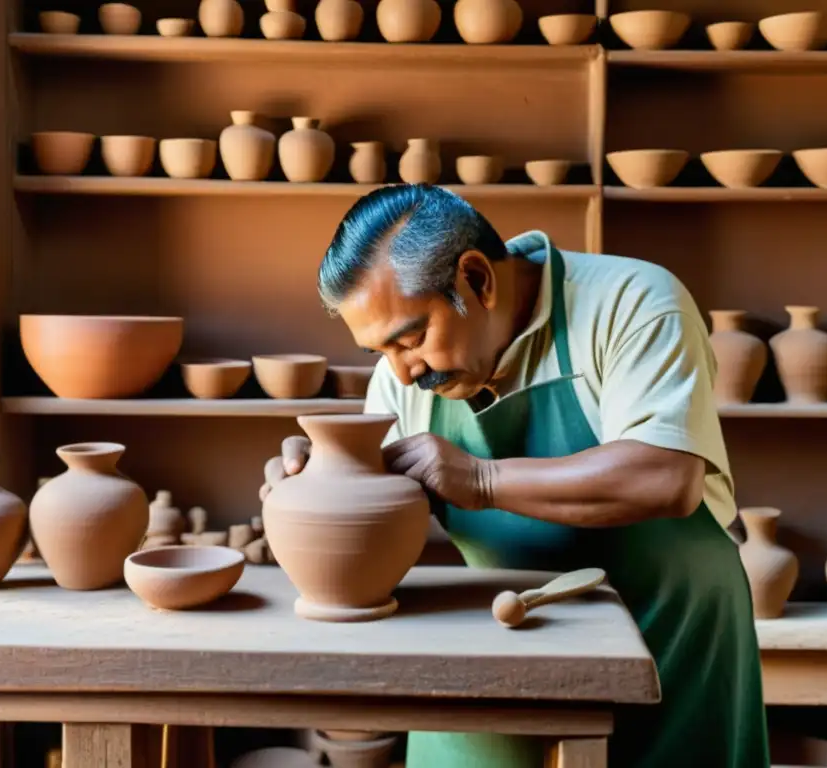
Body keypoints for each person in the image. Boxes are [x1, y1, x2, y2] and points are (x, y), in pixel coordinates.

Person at [260, 184, 770, 768]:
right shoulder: (400, 382)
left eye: (411, 339)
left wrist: (480, 480)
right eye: (381, 352)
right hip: (500, 640)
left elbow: (665, 476)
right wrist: (317, 480)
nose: (402, 374)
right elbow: (372, 513)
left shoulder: (634, 302)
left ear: (476, 279)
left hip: (670, 639)